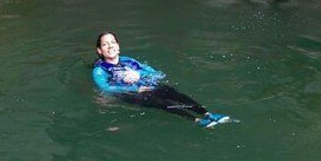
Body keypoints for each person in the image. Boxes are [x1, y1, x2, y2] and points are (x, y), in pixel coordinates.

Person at [91, 31, 230, 128]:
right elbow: (105, 88)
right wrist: (135, 88)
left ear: (118, 46)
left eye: (113, 42)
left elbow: (154, 72)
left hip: (145, 85)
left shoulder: (129, 61)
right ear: (99, 51)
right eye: (105, 44)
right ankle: (197, 120)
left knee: (172, 92)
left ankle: (208, 114)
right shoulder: (99, 70)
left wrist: (138, 74)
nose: (110, 46)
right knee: (160, 102)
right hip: (130, 93)